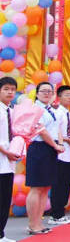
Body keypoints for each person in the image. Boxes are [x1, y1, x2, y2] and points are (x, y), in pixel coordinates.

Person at [26, 82, 65, 235]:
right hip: (39, 148)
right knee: (36, 187)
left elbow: (56, 129)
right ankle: (32, 224)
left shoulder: (50, 109)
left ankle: (39, 223)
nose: (47, 94)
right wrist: (55, 145)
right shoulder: (36, 109)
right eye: (43, 91)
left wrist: (59, 144)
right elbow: (41, 131)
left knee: (45, 187)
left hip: (51, 148)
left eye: (50, 91)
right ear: (36, 94)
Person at [48, 85, 70, 225]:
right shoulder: (57, 113)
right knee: (58, 185)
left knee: (66, 184)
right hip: (60, 154)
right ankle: (56, 214)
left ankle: (61, 213)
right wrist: (67, 139)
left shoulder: (69, 114)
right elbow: (54, 133)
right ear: (59, 97)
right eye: (66, 95)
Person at [0, 77, 18, 242]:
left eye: (12, 89)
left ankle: (1, 233)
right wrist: (6, 152)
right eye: (6, 89)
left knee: (5, 199)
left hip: (9, 163)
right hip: (2, 158)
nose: (10, 92)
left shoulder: (11, 111)